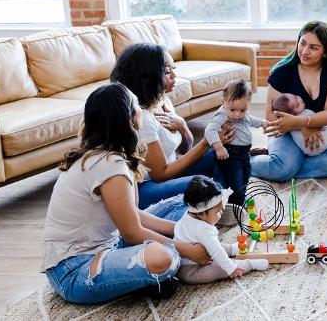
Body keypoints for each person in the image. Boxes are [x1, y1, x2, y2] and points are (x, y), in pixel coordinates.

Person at [41, 83, 211, 304]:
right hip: (74, 271)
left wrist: (181, 229)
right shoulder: (109, 164)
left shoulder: (110, 155)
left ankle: (145, 278)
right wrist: (188, 250)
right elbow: (132, 233)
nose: (141, 107)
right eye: (135, 103)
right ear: (129, 119)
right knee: (164, 258)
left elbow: (134, 216)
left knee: (183, 204)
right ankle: (155, 274)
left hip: (110, 245)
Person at [110, 44, 238, 224]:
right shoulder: (143, 118)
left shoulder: (162, 99)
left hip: (172, 171)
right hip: (146, 187)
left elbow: (185, 149)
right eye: (167, 71)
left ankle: (216, 205)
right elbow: (160, 174)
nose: (174, 76)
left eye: (173, 69)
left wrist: (183, 126)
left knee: (225, 155)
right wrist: (206, 142)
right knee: (201, 184)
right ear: (147, 76)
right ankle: (211, 207)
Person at [251, 21, 327, 181]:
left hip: (326, 134)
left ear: (326, 52)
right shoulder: (282, 72)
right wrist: (300, 127)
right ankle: (242, 162)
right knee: (283, 168)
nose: (305, 51)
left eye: (313, 47)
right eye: (303, 43)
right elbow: (271, 115)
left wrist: (303, 122)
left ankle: (285, 165)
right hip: (286, 132)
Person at [174, 176, 269, 284]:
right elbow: (216, 251)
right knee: (219, 268)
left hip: (193, 254)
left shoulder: (188, 215)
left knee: (216, 245)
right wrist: (230, 268)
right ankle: (250, 264)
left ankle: (232, 249)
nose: (220, 215)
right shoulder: (204, 230)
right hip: (190, 271)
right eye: (217, 212)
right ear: (201, 213)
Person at [205, 80, 267, 207]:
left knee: (246, 175)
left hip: (244, 154)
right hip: (230, 154)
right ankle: (236, 206)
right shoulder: (222, 115)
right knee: (235, 181)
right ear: (223, 103)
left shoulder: (242, 113)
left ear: (248, 105)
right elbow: (209, 130)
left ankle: (241, 196)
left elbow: (250, 120)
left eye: (243, 110)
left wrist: (262, 123)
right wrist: (219, 147)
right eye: (232, 110)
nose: (237, 114)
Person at [271, 93, 327, 157]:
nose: (300, 98)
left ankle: (298, 168)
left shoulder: (288, 125)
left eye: (297, 96)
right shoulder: (307, 112)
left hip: (308, 151)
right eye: (298, 104)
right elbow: (319, 122)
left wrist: (300, 125)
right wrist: (307, 124)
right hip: (321, 140)